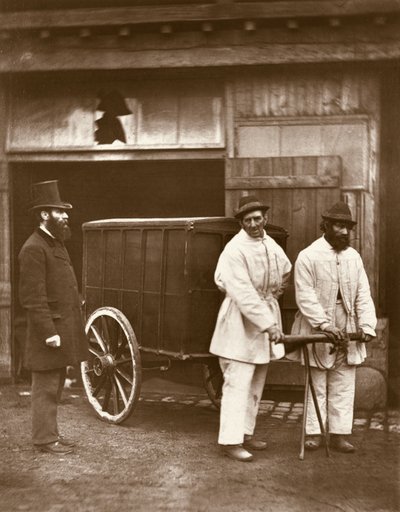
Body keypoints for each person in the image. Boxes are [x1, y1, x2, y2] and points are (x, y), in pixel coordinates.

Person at [210, 195, 292, 462]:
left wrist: (274, 293)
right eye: (248, 220)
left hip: (263, 320)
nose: (254, 224)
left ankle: (246, 433)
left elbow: (286, 269)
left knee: (256, 382)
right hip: (238, 323)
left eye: (258, 218)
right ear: (241, 223)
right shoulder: (234, 250)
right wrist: (269, 324)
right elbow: (243, 293)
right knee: (237, 382)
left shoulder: (270, 244)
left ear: (265, 218)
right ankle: (230, 441)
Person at [290, 201, 376, 453]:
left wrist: (367, 324)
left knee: (344, 379)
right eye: (339, 226)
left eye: (347, 227)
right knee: (317, 380)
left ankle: (339, 433)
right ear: (325, 226)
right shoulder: (308, 256)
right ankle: (314, 433)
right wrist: (324, 324)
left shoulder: (353, 257)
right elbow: (305, 296)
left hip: (347, 321)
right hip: (317, 322)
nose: (344, 232)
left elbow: (363, 293)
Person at [18, 180, 88, 455]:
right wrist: (49, 333)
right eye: (59, 211)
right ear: (44, 214)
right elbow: (32, 298)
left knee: (55, 385)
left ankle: (51, 435)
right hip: (48, 332)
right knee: (45, 387)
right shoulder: (33, 248)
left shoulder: (54, 243)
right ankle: (44, 440)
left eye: (64, 211)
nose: (65, 215)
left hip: (62, 327)